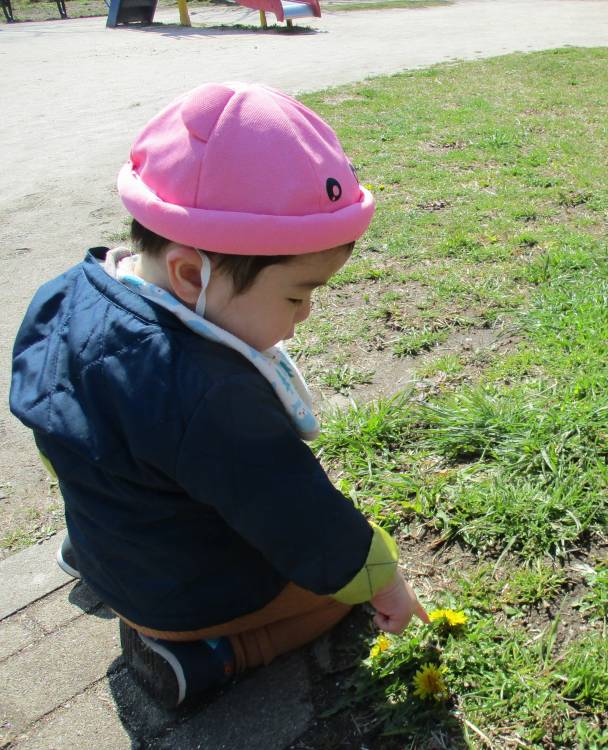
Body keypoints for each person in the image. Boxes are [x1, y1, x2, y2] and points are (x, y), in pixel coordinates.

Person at [9, 82, 429, 708]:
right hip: (179, 594)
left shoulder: (66, 293)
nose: (306, 315)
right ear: (188, 274)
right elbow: (300, 520)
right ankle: (213, 657)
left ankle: (101, 557)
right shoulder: (209, 390)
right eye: (296, 295)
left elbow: (55, 436)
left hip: (104, 541)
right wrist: (383, 580)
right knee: (332, 594)